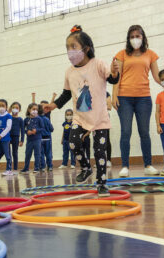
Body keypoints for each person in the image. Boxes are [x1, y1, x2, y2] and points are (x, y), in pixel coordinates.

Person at [43, 25, 120, 197]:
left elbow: (112, 79)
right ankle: (85, 168)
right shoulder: (69, 72)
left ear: (86, 48)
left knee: (100, 152)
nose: (70, 52)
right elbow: (66, 94)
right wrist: (54, 105)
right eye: (67, 48)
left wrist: (115, 72)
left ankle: (101, 183)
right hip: (80, 117)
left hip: (99, 117)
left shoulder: (98, 64)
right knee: (72, 142)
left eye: (73, 47)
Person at [112, 25, 160, 177]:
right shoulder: (122, 54)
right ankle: (125, 166)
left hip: (144, 98)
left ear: (143, 37)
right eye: (132, 36)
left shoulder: (150, 54)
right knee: (125, 131)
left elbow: (157, 76)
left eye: (137, 36)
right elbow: (116, 77)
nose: (135, 39)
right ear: (128, 39)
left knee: (144, 132)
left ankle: (148, 165)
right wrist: (114, 96)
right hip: (124, 97)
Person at [21, 103, 44, 173]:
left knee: (37, 154)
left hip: (37, 139)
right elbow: (23, 129)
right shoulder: (26, 119)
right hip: (29, 140)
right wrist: (26, 131)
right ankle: (26, 168)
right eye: (33, 109)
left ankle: (36, 168)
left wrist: (36, 130)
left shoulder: (39, 119)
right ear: (29, 110)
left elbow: (42, 128)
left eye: (36, 109)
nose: (35, 111)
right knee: (27, 154)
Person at [9, 102, 25, 171]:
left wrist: (22, 140)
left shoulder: (20, 119)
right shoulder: (8, 117)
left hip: (16, 137)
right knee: (8, 153)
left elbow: (23, 130)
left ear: (19, 110)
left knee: (14, 153)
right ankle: (8, 168)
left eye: (17, 108)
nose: (15, 109)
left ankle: (15, 169)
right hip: (8, 137)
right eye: (13, 108)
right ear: (11, 109)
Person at [39, 105, 54, 171]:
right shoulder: (47, 119)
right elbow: (51, 129)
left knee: (41, 153)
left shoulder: (37, 119)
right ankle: (50, 166)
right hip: (47, 138)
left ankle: (42, 167)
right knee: (48, 153)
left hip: (40, 139)